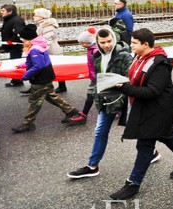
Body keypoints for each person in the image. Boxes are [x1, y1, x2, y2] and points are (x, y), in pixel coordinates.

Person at [110, 28, 173, 200]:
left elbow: (152, 91)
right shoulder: (140, 57)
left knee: (145, 146)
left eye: (134, 43)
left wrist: (126, 88)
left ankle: (133, 184)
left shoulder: (159, 63)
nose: (130, 45)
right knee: (166, 134)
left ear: (145, 44)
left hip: (157, 109)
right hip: (148, 108)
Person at [67, 28, 161, 179]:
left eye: (109, 41)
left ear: (114, 39)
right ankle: (92, 166)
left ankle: (152, 152)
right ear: (96, 42)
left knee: (138, 128)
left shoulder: (123, 56)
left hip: (125, 99)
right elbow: (98, 79)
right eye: (102, 42)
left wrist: (123, 90)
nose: (106, 45)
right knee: (100, 132)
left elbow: (132, 78)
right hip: (106, 100)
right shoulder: (96, 55)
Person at [10, 24, 86, 133]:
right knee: (51, 96)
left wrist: (26, 76)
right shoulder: (39, 44)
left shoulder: (34, 49)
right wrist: (23, 65)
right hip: (46, 76)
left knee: (34, 101)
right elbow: (36, 61)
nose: (21, 39)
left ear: (28, 38)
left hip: (40, 79)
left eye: (22, 38)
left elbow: (38, 65)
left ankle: (28, 123)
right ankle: (71, 111)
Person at [27, 8, 67, 94]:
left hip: (51, 51)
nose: (33, 17)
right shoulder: (42, 25)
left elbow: (47, 40)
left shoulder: (48, 26)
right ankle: (35, 87)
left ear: (41, 17)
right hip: (47, 50)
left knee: (56, 68)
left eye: (35, 15)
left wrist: (40, 51)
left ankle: (62, 86)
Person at [75, 28, 99, 121]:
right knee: (95, 94)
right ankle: (84, 114)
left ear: (87, 42)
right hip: (94, 77)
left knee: (91, 94)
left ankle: (84, 115)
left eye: (82, 43)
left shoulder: (94, 50)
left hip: (97, 77)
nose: (81, 45)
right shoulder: (91, 48)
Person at [0, 4, 25, 88]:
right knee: (14, 61)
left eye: (3, 11)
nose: (1, 12)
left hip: (15, 46)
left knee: (15, 62)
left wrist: (10, 41)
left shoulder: (16, 20)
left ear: (10, 12)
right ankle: (16, 79)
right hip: (12, 45)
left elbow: (18, 33)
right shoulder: (10, 19)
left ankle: (16, 80)